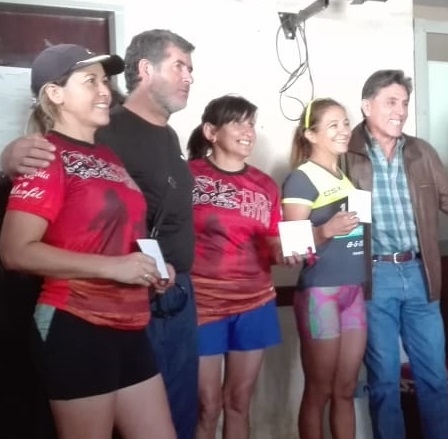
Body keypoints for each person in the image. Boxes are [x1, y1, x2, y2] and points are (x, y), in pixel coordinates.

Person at [1, 30, 199, 439]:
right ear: (55, 94)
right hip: (76, 321)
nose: (105, 91)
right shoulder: (45, 155)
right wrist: (115, 268)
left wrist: (151, 268)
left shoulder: (108, 155)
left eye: (104, 81)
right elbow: (15, 252)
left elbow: (120, 233)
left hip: (130, 322)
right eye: (89, 81)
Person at [341, 69, 448, 439]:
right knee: (384, 382)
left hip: (421, 274)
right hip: (374, 277)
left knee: (434, 378)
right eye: (391, 102)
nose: (401, 111)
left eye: (405, 103)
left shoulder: (421, 151)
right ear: (366, 106)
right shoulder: (346, 153)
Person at [187, 95, 288, 439]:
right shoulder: (188, 176)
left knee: (239, 401)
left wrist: (285, 252)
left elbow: (273, 242)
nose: (248, 132)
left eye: (251, 124)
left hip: (255, 302)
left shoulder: (265, 185)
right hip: (202, 303)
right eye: (237, 123)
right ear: (211, 132)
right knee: (206, 405)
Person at [281, 98, 368, 439]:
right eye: (333, 125)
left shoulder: (344, 177)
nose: (344, 130)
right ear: (311, 134)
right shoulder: (301, 178)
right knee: (320, 391)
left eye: (345, 123)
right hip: (321, 293)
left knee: (345, 389)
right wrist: (325, 230)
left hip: (353, 291)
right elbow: (293, 247)